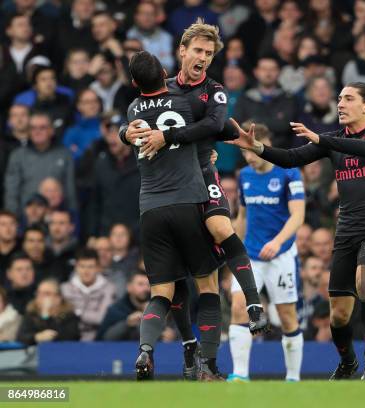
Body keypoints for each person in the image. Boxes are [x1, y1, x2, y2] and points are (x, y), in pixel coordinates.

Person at [228, 81, 365, 381]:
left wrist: (322, 140)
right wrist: (257, 147)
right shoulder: (332, 140)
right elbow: (291, 159)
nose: (340, 104)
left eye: (348, 99)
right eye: (339, 98)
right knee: (339, 314)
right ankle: (348, 362)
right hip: (347, 231)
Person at [119, 19, 267, 363]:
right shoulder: (164, 88)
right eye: (198, 50)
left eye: (210, 53)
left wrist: (169, 137)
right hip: (177, 185)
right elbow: (136, 121)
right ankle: (191, 349)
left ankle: (252, 302)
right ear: (182, 51)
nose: (203, 57)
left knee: (219, 229)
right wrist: (126, 132)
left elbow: (215, 124)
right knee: (186, 278)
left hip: (204, 174)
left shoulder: (213, 91)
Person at [126, 50, 231, 381]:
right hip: (187, 203)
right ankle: (208, 365)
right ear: (165, 72)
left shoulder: (132, 113)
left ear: (133, 83)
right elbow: (211, 125)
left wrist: (120, 132)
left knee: (161, 294)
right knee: (208, 284)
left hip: (150, 210)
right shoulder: (183, 104)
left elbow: (128, 128)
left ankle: (145, 350)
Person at [228, 124, 305, 382]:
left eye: (253, 151)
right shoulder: (244, 176)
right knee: (239, 309)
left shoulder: (288, 173)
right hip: (251, 255)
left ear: (266, 144)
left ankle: (293, 378)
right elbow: (242, 216)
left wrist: (277, 241)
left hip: (281, 254)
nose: (249, 157)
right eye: (245, 152)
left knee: (286, 316)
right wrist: (233, 250)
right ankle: (239, 375)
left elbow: (298, 215)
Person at [60, 248, 116, 341]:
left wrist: (77, 312)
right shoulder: (65, 289)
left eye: (90, 267)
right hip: (68, 338)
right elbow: (62, 317)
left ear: (98, 268)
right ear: (76, 267)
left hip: (99, 339)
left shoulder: (109, 288)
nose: (86, 271)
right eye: (82, 266)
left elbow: (101, 318)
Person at [16, 278, 80, 345]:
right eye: (39, 293)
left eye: (46, 294)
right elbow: (21, 336)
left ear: (58, 298)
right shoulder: (32, 314)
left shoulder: (69, 315)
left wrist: (47, 316)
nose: (41, 297)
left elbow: (72, 336)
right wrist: (37, 337)